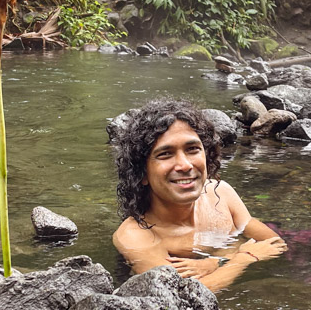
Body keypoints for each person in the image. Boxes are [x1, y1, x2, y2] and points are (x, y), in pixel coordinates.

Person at [112, 100, 287, 291]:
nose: (185, 165)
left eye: (192, 149)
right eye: (165, 154)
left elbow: (275, 243)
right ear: (142, 173)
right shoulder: (135, 237)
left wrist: (215, 262)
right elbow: (180, 296)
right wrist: (243, 257)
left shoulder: (220, 193)